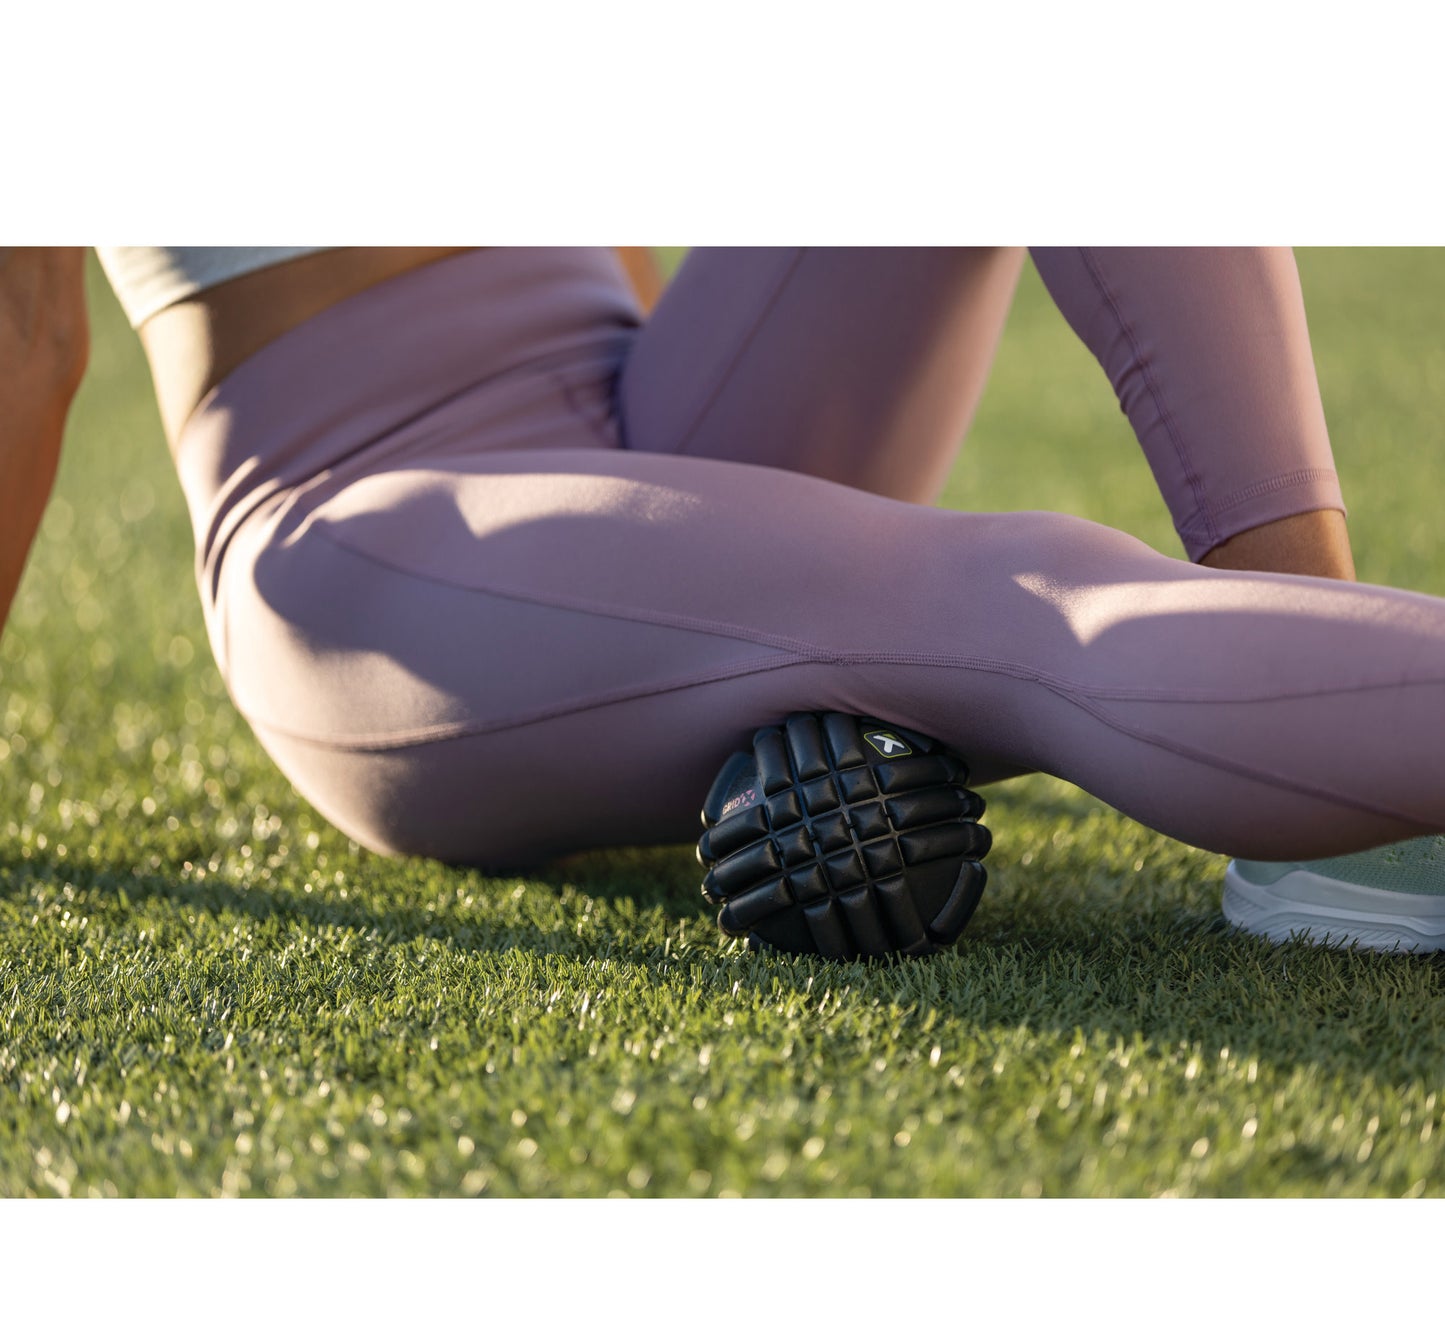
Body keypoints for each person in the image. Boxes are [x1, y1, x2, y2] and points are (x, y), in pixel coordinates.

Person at [4, 245, 1445, 954]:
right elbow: (26, 338)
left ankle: (1318, 757)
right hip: (376, 534)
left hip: (646, 403)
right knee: (1011, 598)